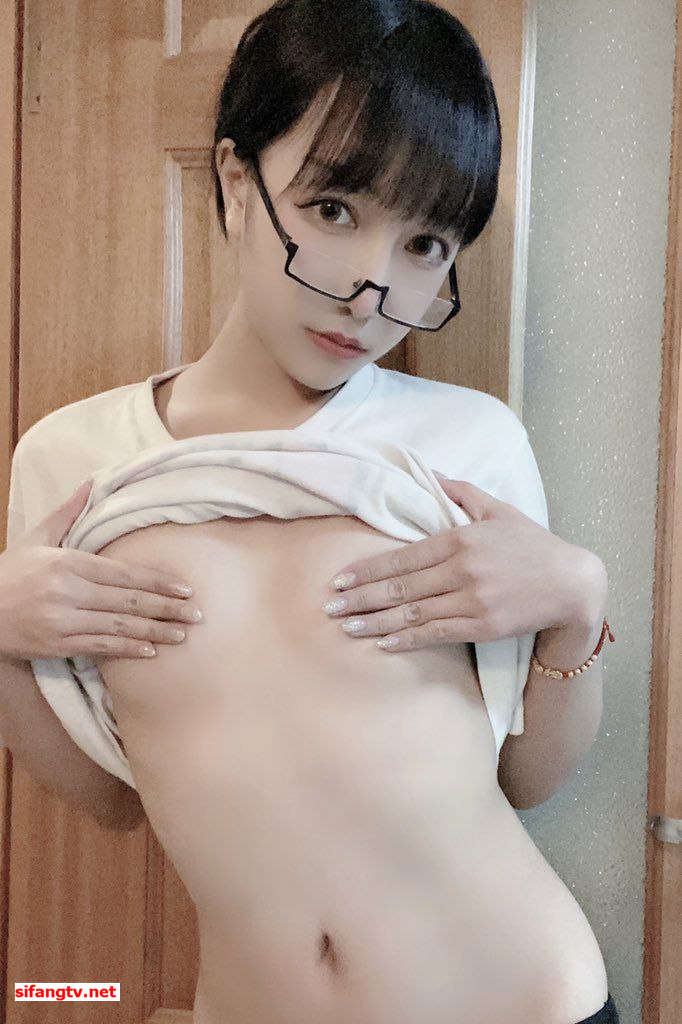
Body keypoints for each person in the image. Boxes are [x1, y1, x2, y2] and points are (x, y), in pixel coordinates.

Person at [1, 1, 620, 1021]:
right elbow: (107, 797)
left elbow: (525, 778)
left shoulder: (471, 445)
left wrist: (576, 601)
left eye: (425, 243)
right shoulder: (74, 461)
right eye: (334, 209)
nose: (373, 286)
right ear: (237, 182)